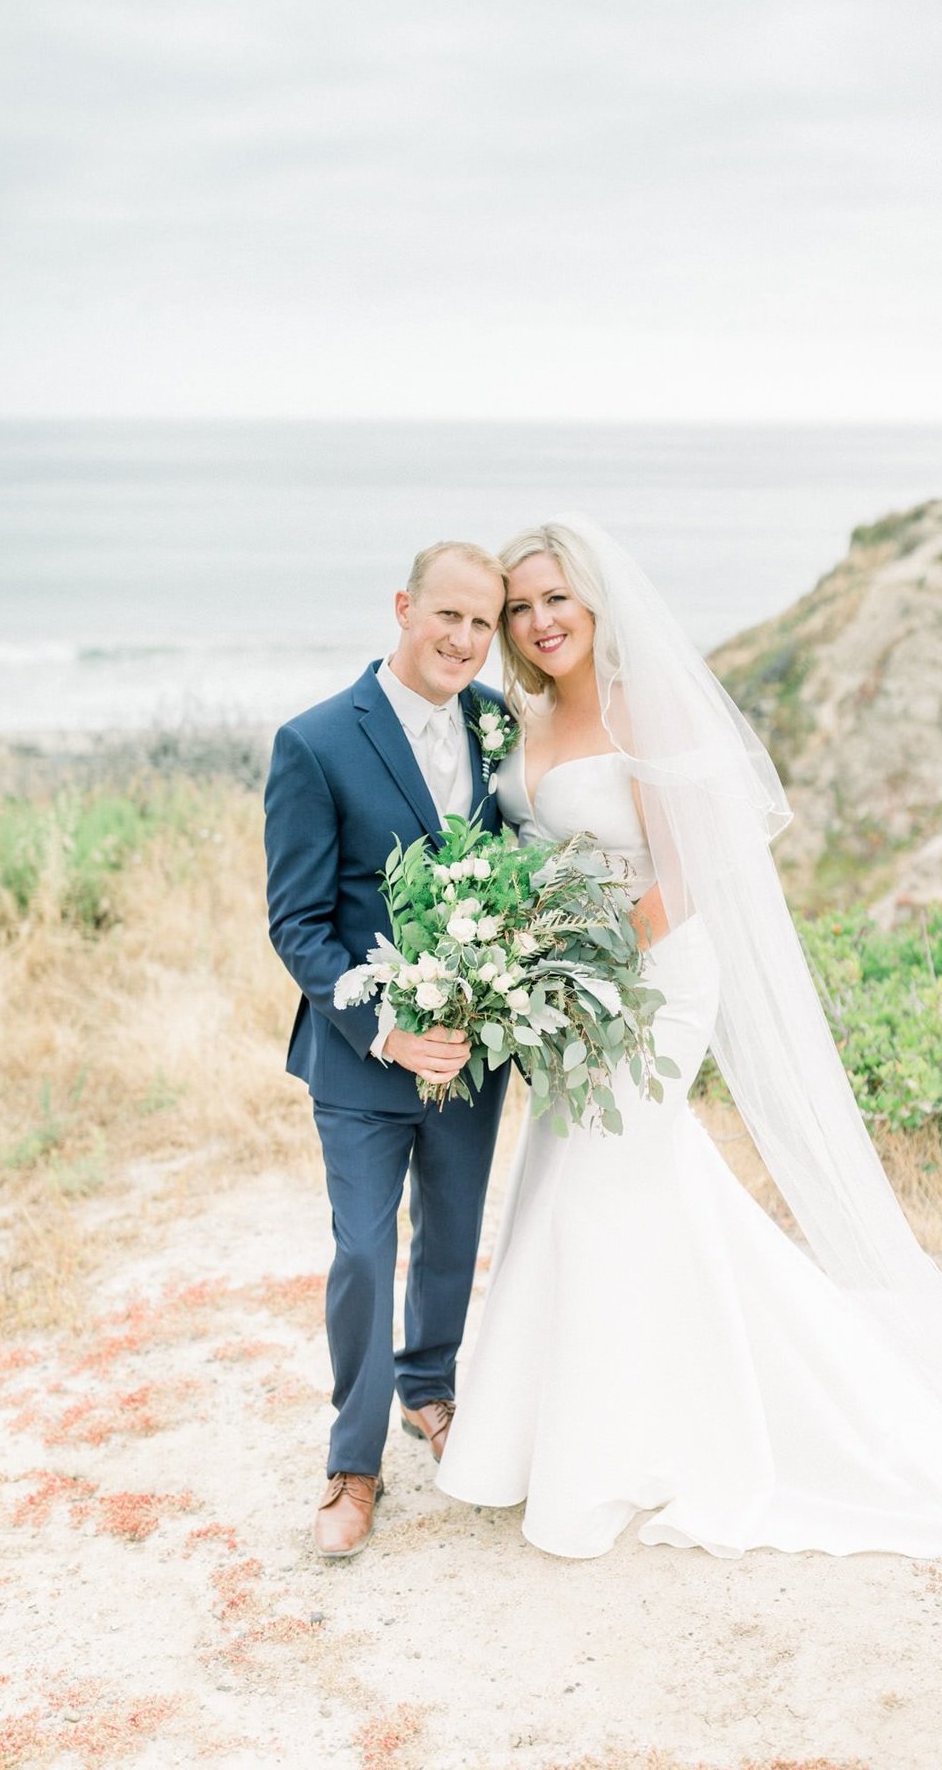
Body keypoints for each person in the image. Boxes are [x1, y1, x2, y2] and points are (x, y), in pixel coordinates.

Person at [434, 514, 942, 1683]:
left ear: (594, 603)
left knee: (599, 1198)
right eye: (519, 606)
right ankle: (546, 1437)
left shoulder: (641, 709)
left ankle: (603, 1461)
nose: (536, 620)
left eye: (552, 598)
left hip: (655, 984)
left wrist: (580, 956)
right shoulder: (522, 721)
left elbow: (686, 873)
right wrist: (528, 966)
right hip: (572, 998)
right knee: (588, 1193)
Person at [264, 540, 512, 1558]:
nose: (463, 640)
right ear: (405, 607)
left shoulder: (500, 727)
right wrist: (388, 1030)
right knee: (366, 1250)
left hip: (473, 1054)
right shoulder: (316, 741)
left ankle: (430, 1387)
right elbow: (298, 925)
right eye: (447, 616)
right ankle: (353, 1465)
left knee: (452, 1236)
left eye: (482, 625)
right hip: (363, 1057)